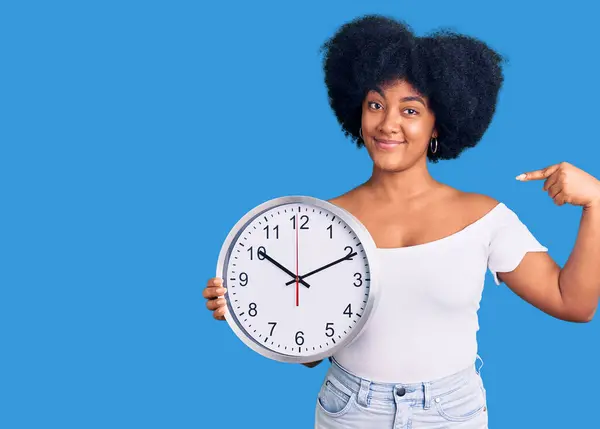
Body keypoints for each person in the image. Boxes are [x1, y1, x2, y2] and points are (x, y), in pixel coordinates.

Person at [202, 14, 600, 428]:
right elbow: (313, 349)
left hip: (451, 413)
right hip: (350, 410)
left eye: (410, 110)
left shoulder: (483, 218)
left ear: (437, 125)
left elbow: (574, 303)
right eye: (376, 104)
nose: (387, 123)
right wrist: (249, 311)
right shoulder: (323, 222)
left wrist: (597, 205)